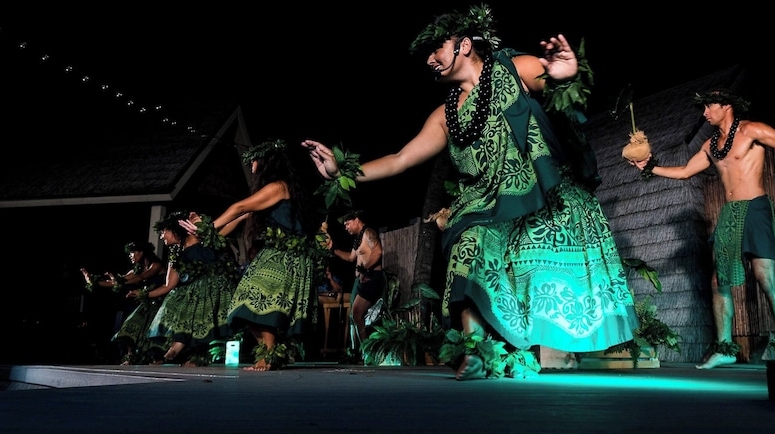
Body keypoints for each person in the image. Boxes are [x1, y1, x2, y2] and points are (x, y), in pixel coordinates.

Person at [302, 4, 639, 380]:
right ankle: (475, 351)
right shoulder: (445, 115)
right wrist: (342, 170)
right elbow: (400, 159)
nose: (430, 60)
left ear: (463, 45)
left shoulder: (513, 68)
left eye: (436, 50)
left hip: (537, 193)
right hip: (484, 204)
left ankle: (532, 349)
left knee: (540, 275)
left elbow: (562, 96)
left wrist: (563, 78)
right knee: (467, 244)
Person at [629, 88, 775, 369]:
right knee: (718, 282)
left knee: (766, 278)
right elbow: (684, 172)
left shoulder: (752, 130)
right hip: (729, 214)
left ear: (726, 106)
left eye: (708, 107)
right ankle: (725, 348)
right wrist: (649, 166)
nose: (704, 113)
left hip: (755, 208)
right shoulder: (711, 146)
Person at [182, 139, 325, 371]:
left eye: (253, 162)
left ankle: (268, 355)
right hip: (276, 253)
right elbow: (240, 217)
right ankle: (269, 352)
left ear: (264, 162)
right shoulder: (274, 190)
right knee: (242, 303)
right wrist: (211, 231)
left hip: (287, 255)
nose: (251, 166)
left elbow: (239, 207)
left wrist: (208, 227)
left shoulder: (277, 187)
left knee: (259, 301)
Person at [146, 211, 236, 366]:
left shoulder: (205, 237)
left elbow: (232, 222)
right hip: (194, 289)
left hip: (216, 286)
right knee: (179, 299)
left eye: (163, 232)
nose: (162, 237)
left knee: (198, 302)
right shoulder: (176, 252)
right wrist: (144, 295)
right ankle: (184, 347)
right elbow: (169, 284)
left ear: (175, 229)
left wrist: (245, 213)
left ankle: (184, 347)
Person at [329, 209, 384, 361]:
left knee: (357, 313)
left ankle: (367, 351)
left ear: (357, 220)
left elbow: (378, 252)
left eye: (348, 224)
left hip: (372, 278)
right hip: (363, 279)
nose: (346, 227)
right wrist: (333, 249)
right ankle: (363, 351)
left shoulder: (368, 233)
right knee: (356, 314)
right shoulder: (358, 238)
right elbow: (351, 257)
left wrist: (365, 269)